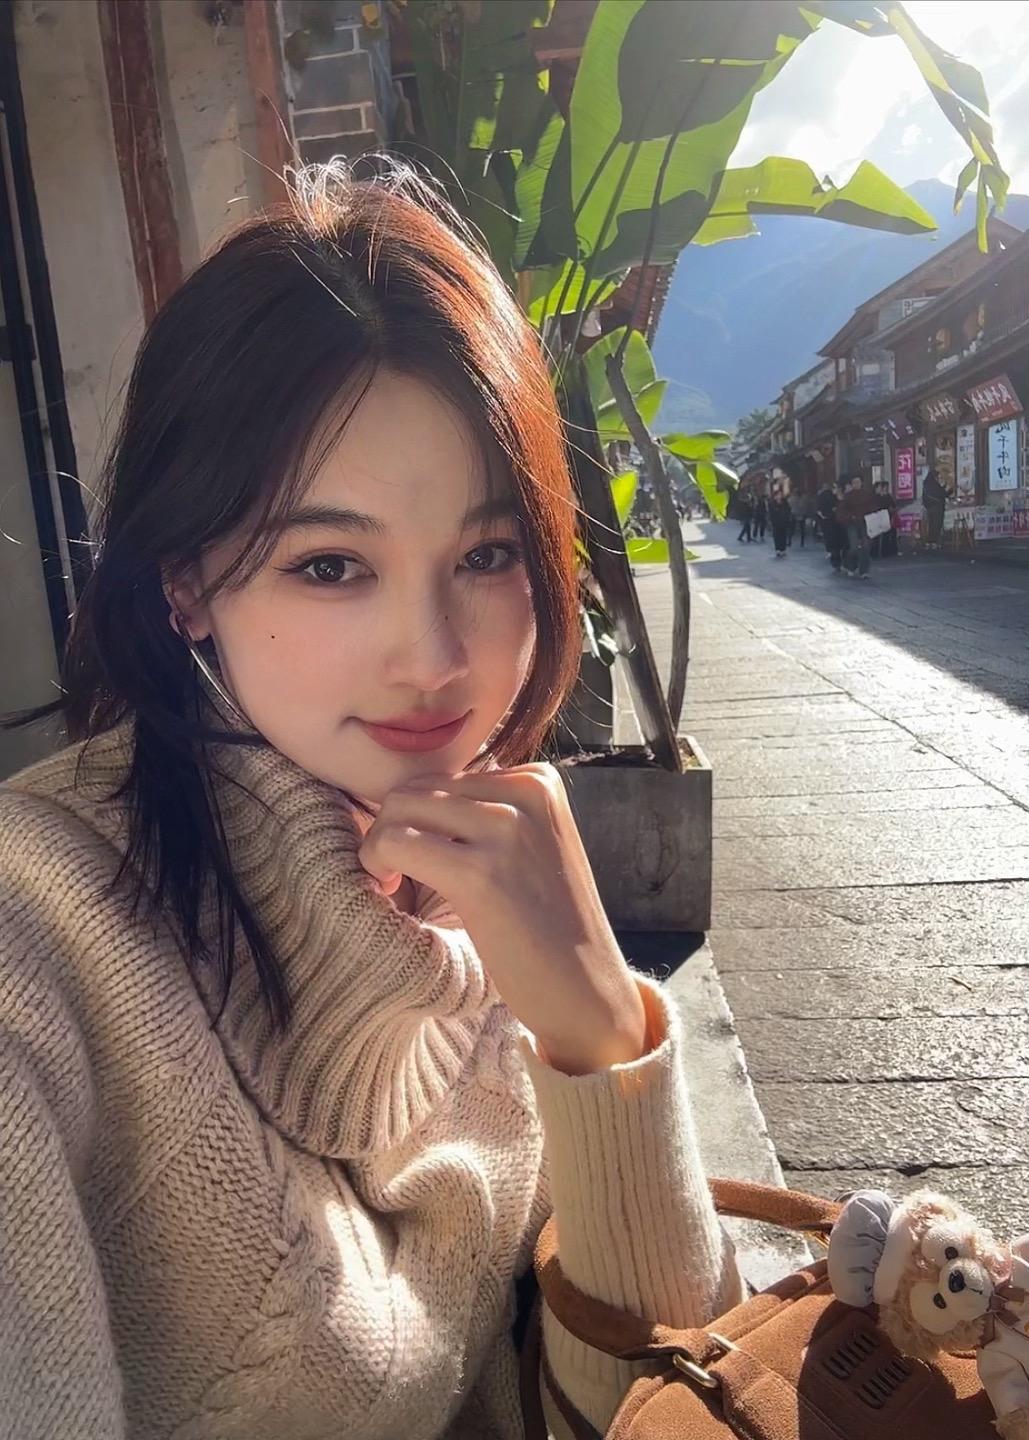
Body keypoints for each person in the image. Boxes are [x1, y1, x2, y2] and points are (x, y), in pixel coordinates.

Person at [0, 166, 741, 1440]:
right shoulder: (35, 931)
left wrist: (601, 1033)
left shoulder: (495, 880)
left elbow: (667, 1399)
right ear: (186, 586)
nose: (436, 659)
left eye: (486, 555)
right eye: (331, 564)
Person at [836, 473, 879, 579]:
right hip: (852, 523)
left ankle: (864, 570)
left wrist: (871, 513)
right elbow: (842, 511)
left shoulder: (867, 495)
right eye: (854, 482)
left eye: (858, 482)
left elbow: (873, 507)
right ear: (851, 484)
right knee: (853, 547)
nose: (856, 484)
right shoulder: (848, 496)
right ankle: (850, 566)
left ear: (861, 483)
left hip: (865, 523)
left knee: (866, 547)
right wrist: (850, 517)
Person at [922, 466, 950, 547]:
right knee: (937, 525)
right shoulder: (934, 485)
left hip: (929, 508)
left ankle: (929, 541)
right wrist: (950, 490)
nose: (938, 478)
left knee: (931, 525)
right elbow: (942, 494)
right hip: (937, 508)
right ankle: (934, 541)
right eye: (937, 476)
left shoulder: (926, 485)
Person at [769, 486, 792, 558]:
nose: (780, 496)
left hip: (784, 522)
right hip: (776, 522)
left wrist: (787, 518)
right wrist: (772, 521)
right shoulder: (772, 503)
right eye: (778, 495)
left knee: (783, 536)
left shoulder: (785, 502)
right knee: (777, 536)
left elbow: (788, 510)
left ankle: (783, 549)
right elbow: (771, 513)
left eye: (781, 494)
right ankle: (778, 549)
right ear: (775, 496)